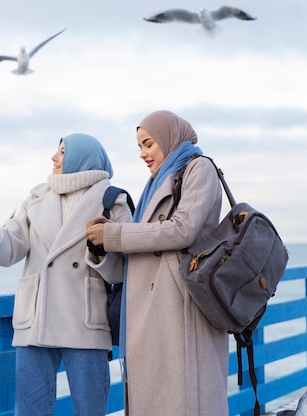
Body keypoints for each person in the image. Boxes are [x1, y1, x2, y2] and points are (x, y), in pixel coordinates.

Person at [0, 133, 133, 416]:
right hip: (36, 319)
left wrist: (99, 252)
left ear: (83, 156)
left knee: (90, 409)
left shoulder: (112, 200)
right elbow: (14, 244)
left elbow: (123, 268)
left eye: (63, 152)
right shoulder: (37, 197)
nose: (54, 158)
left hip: (84, 319)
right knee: (30, 410)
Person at [85, 110, 229, 415]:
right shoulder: (158, 182)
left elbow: (183, 228)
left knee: (187, 399)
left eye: (148, 144)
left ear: (168, 137)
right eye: (139, 147)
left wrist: (115, 235)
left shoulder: (198, 168)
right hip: (153, 310)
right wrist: (103, 241)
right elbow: (147, 240)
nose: (143, 154)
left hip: (180, 305)